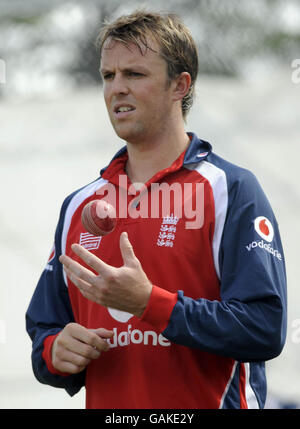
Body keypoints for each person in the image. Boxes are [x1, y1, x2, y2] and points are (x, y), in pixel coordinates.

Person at [26, 10, 287, 409]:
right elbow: (45, 328)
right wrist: (55, 352)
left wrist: (150, 303)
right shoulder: (80, 205)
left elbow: (264, 329)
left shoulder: (231, 189)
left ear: (180, 85)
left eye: (134, 74)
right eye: (108, 76)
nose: (117, 89)